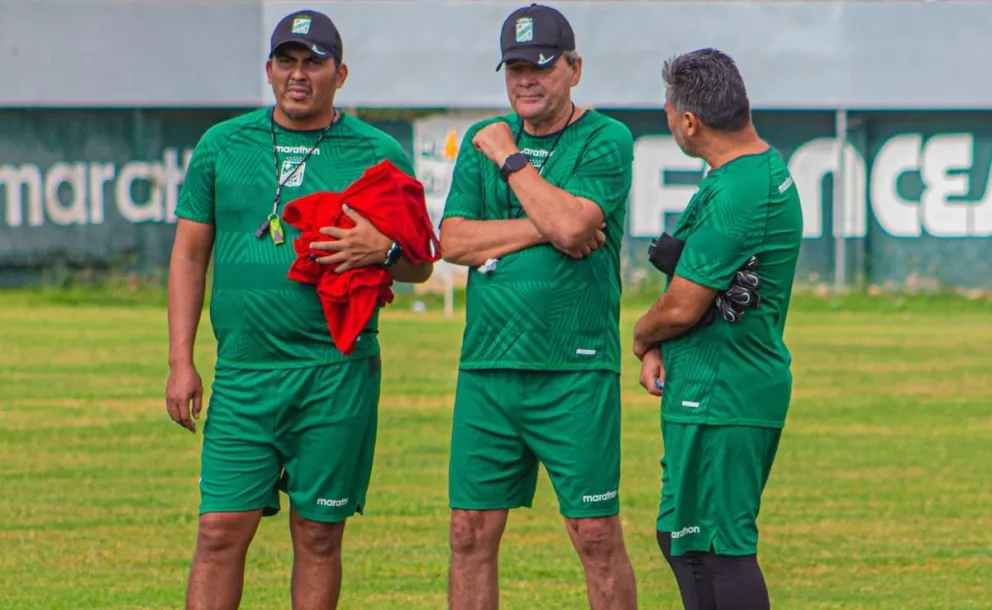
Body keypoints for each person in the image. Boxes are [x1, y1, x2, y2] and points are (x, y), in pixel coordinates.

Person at [164, 9, 433, 610]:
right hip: (244, 373)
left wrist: (383, 250)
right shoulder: (221, 145)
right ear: (268, 69)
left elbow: (420, 262)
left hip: (335, 374)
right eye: (287, 60)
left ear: (341, 73)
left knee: (317, 535)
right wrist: (181, 361)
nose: (299, 74)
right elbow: (187, 257)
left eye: (315, 62)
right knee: (218, 531)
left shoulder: (377, 152)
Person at [439, 4, 638, 609]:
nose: (526, 79)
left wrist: (510, 160)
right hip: (489, 369)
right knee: (468, 532)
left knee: (595, 535)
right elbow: (452, 242)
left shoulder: (603, 138)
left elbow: (579, 226)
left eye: (542, 66)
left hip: (574, 367)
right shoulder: (481, 141)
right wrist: (544, 225)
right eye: (515, 67)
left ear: (574, 69)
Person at [630, 48, 804, 610]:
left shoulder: (737, 192)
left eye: (668, 109)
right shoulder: (750, 172)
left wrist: (642, 335)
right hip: (717, 389)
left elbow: (683, 305)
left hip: (723, 394)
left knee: (712, 550)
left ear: (689, 122)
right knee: (688, 541)